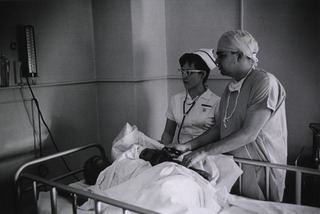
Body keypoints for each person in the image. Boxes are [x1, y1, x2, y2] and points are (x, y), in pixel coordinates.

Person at [166, 30, 287, 202]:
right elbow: (219, 127)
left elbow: (248, 134)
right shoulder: (230, 90)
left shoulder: (264, 82)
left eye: (221, 55)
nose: (216, 61)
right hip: (236, 167)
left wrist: (203, 152)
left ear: (238, 55)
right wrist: (188, 146)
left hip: (262, 168)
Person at [160, 49, 220, 146]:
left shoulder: (216, 102)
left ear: (203, 74)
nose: (184, 76)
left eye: (189, 72)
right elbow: (168, 133)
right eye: (183, 71)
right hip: (179, 151)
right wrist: (161, 148)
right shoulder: (175, 100)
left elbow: (218, 133)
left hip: (204, 152)